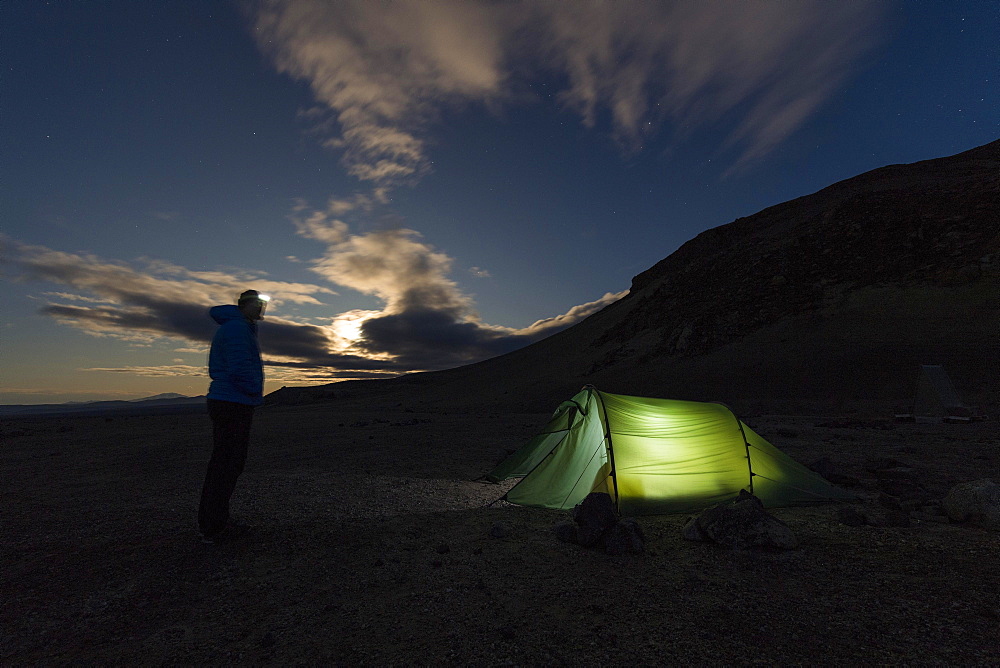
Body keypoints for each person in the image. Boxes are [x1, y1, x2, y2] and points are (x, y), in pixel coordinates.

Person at [198, 289, 269, 543]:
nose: (261, 308)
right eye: (257, 304)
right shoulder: (237, 329)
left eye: (263, 304)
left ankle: (215, 523)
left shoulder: (239, 327)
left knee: (226, 463)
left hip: (230, 400)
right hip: (232, 401)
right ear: (244, 305)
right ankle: (214, 527)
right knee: (226, 464)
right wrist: (253, 392)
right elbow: (239, 366)